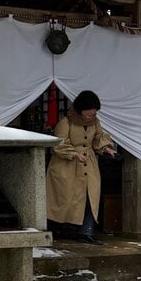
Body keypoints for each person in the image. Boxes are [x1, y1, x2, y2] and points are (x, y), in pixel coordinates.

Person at [46, 90, 117, 244]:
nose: (93, 112)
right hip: (67, 165)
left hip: (88, 163)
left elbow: (98, 138)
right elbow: (59, 143)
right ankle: (61, 229)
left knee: (90, 196)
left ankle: (86, 231)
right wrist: (74, 154)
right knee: (66, 198)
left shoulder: (95, 122)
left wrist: (106, 148)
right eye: (90, 109)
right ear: (81, 108)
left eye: (95, 109)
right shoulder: (66, 122)